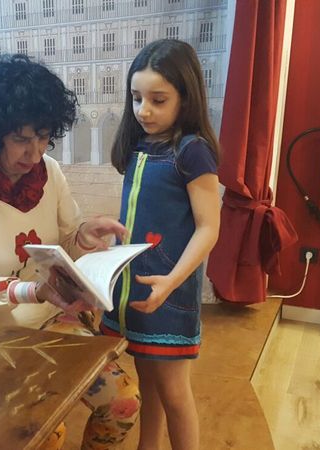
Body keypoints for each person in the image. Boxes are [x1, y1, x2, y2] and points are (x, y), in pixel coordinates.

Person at [0, 54, 140, 449]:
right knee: (45, 430)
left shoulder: (48, 173)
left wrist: (83, 236)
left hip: (53, 321)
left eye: (43, 136)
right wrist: (35, 291)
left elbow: (66, 242)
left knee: (123, 402)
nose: (35, 152)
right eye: (21, 140)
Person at [100, 39, 221, 450]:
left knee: (174, 393)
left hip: (169, 291)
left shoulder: (192, 151)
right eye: (136, 98)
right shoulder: (140, 146)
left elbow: (208, 228)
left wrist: (172, 281)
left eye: (158, 100)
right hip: (135, 287)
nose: (144, 110)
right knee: (147, 383)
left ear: (185, 98)